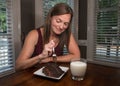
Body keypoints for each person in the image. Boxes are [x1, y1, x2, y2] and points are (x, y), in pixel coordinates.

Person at [15, 3, 80, 70]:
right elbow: (18, 66)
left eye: (65, 24)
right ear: (50, 18)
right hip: (33, 76)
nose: (61, 27)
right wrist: (41, 57)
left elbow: (77, 56)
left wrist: (50, 59)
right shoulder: (33, 35)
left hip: (54, 74)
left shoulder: (66, 33)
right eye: (58, 21)